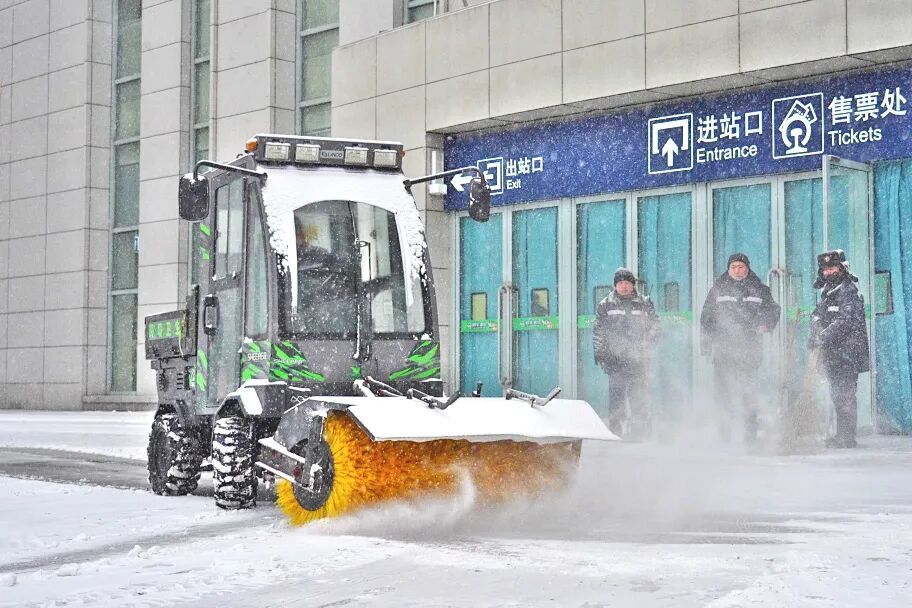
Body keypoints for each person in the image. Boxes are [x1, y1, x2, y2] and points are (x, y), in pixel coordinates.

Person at [700, 253, 780, 444]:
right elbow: (706, 318)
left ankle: (749, 436)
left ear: (747, 268)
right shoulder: (718, 289)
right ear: (729, 269)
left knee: (748, 394)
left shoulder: (759, 289)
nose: (737, 270)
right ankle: (724, 436)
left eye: (741, 267)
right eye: (734, 267)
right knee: (723, 394)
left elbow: (773, 310)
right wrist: (706, 346)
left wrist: (765, 324)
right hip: (724, 350)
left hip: (749, 350)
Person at [808, 250, 870, 449]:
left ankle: (847, 437)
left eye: (833, 268)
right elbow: (817, 315)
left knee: (845, 395)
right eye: (825, 269)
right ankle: (841, 434)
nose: (828, 272)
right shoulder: (828, 291)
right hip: (833, 354)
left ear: (842, 268)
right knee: (837, 394)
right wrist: (816, 331)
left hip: (848, 353)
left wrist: (823, 336)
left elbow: (845, 321)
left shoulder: (848, 291)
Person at [593, 268, 660, 438]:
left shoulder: (644, 303)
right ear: (615, 285)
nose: (624, 287)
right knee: (616, 395)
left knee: (638, 394)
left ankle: (638, 430)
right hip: (614, 359)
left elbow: (655, 326)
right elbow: (598, 330)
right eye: (620, 283)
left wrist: (648, 342)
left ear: (633, 285)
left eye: (627, 283)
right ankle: (615, 429)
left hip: (638, 358)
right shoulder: (606, 304)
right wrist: (599, 352)